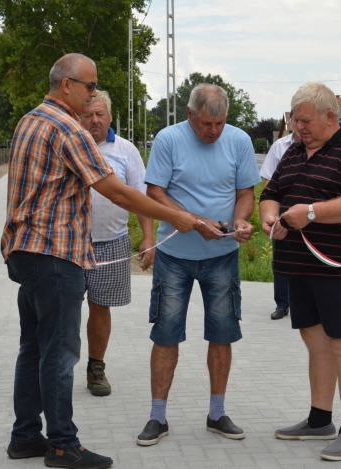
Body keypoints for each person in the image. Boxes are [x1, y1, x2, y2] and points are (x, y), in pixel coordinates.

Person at [1, 53, 198, 469]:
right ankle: (62, 445)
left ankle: (24, 437)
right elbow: (118, 191)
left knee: (33, 348)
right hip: (55, 255)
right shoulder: (67, 127)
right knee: (59, 352)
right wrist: (178, 216)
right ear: (67, 85)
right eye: (90, 86)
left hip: (26, 251)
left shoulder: (29, 120)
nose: (94, 94)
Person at [259, 82, 341, 462]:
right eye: (296, 121)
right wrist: (270, 219)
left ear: (332, 117)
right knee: (316, 341)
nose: (299, 127)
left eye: (306, 120)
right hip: (299, 267)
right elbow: (271, 193)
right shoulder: (294, 150)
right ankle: (319, 419)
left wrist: (310, 213)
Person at [135, 84, 260, 446]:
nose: (214, 131)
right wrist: (192, 221)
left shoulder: (239, 141)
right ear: (189, 114)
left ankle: (217, 414)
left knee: (222, 334)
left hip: (222, 257)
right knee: (165, 334)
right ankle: (157, 417)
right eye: (207, 124)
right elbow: (154, 192)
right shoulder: (168, 139)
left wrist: (240, 221)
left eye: (220, 123)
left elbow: (245, 193)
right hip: (174, 256)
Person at [78, 90, 155, 397]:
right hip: (68, 244)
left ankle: (96, 368)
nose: (94, 120)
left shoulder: (125, 150)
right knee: (62, 310)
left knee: (100, 308)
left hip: (111, 243)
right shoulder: (68, 145)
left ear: (110, 117)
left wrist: (148, 236)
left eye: (100, 114)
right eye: (88, 114)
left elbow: (140, 197)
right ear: (79, 116)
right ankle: (56, 367)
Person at [259, 117, 299, 320]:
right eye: (296, 119)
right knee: (281, 260)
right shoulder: (279, 146)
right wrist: (271, 214)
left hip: (312, 215)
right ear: (291, 120)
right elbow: (268, 183)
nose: (300, 124)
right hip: (282, 214)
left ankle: (306, 304)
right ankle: (282, 304)